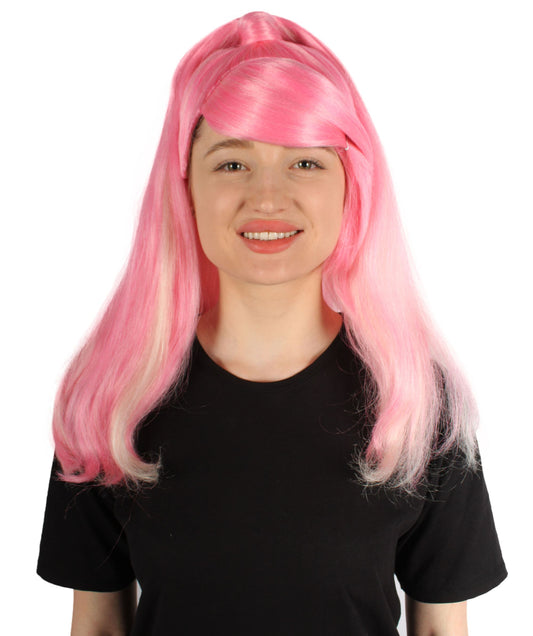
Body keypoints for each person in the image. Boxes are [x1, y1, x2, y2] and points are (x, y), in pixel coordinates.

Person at [37, 11, 507, 635]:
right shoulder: (113, 397)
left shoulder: (417, 404)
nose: (265, 197)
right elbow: (97, 626)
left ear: (351, 187)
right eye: (232, 163)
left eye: (305, 163)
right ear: (185, 189)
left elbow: (441, 628)